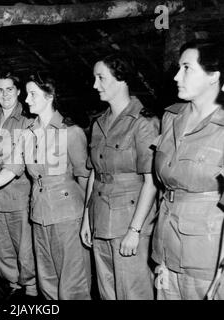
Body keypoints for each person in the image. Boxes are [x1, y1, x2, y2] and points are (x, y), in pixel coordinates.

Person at [0, 73, 92, 300]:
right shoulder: (28, 135)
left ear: (50, 96)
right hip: (38, 214)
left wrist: (87, 217)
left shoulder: (71, 132)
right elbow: (11, 168)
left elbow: (85, 178)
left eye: (32, 94)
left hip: (68, 215)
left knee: (73, 283)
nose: (26, 100)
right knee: (47, 280)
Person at [80, 53, 159, 300]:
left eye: (101, 78)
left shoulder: (143, 122)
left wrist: (135, 231)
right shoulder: (99, 123)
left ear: (121, 79)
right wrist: (86, 218)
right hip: (101, 220)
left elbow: (151, 183)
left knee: (133, 293)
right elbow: (95, 173)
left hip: (129, 222)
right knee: (107, 293)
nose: (95, 85)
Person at [152, 40, 224, 300]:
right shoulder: (171, 118)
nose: (176, 76)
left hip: (207, 255)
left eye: (186, 68)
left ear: (213, 75)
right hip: (165, 246)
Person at [0, 71, 37, 300]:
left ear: (18, 91)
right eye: (0, 89)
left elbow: (22, 163)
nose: (4, 94)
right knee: (2, 246)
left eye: (9, 89)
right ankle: (13, 284)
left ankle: (31, 287)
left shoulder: (27, 118)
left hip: (18, 193)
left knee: (24, 246)